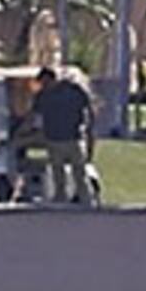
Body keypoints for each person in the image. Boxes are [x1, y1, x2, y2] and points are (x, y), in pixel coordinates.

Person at [30, 64, 95, 206]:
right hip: (55, 139)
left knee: (79, 173)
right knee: (58, 174)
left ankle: (86, 201)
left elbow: (88, 110)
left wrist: (88, 131)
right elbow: (36, 117)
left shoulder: (73, 90)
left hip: (74, 138)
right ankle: (62, 200)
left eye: (45, 81)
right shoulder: (44, 96)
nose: (44, 85)